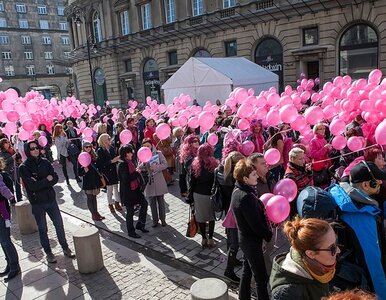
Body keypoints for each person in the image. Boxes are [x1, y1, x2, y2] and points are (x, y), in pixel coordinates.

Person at [330, 162, 386, 298]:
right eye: (376, 180)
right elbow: (373, 266)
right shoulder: (361, 217)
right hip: (363, 284)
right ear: (366, 185)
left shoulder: (346, 198)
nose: (380, 182)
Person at [19, 141, 75, 263]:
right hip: (37, 203)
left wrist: (41, 181)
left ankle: (65, 247)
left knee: (59, 224)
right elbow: (32, 186)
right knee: (43, 228)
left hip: (51, 199)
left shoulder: (44, 161)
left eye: (37, 148)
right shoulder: (24, 167)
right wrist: (46, 180)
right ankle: (48, 252)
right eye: (32, 149)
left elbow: (55, 177)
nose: (35, 150)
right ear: (28, 151)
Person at [231, 158, 272, 300]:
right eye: (254, 175)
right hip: (251, 242)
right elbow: (255, 224)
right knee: (261, 278)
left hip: (245, 239)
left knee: (246, 272)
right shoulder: (245, 196)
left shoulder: (238, 190)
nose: (257, 177)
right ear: (245, 178)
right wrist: (268, 234)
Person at [270, 217, 341, 299]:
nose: (338, 250)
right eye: (332, 248)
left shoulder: (316, 266)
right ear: (311, 254)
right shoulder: (287, 293)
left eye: (336, 241)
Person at [217, 151, 244, 282]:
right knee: (234, 243)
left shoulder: (222, 170)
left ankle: (233, 260)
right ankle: (229, 270)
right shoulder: (233, 177)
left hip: (227, 209)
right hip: (233, 212)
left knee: (230, 240)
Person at [189, 143, 219, 249]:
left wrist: (189, 197)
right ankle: (210, 238)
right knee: (211, 218)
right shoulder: (215, 165)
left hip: (198, 195)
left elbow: (191, 182)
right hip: (210, 194)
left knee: (201, 218)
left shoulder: (195, 165)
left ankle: (203, 239)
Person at [118, 145, 149, 238]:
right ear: (126, 154)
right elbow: (126, 179)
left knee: (144, 204)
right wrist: (137, 172)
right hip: (128, 192)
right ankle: (131, 231)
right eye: (130, 152)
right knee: (130, 212)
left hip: (136, 189)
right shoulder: (122, 164)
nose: (132, 153)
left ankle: (140, 224)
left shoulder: (130, 161)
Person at [140, 138, 168, 227]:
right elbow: (139, 168)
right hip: (149, 182)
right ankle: (155, 221)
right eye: (144, 146)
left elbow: (165, 164)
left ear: (151, 146)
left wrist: (155, 168)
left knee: (161, 201)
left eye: (148, 146)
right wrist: (143, 164)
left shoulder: (158, 153)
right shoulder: (141, 155)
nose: (146, 148)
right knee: (152, 203)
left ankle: (163, 220)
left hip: (159, 180)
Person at [0, 158, 20, 282]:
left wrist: (12, 198)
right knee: (2, 241)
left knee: (6, 240)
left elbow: (5, 189)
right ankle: (9, 264)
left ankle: (14, 266)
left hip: (2, 213)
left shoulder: (2, 175)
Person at [78, 141, 105, 221]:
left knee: (94, 197)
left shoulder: (94, 155)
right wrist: (84, 171)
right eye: (86, 147)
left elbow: (100, 166)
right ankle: (93, 214)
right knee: (90, 198)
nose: (88, 148)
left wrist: (100, 171)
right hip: (88, 181)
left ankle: (96, 212)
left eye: (89, 146)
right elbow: (78, 172)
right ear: (83, 148)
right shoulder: (81, 157)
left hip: (95, 180)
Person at [284, 147, 314, 216]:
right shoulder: (290, 174)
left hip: (309, 197)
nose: (303, 161)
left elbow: (309, 179)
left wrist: (309, 172)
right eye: (300, 159)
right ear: (292, 159)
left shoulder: (300, 166)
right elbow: (294, 196)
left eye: (303, 158)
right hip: (302, 203)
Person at [96, 133, 122, 213]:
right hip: (107, 172)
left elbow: (114, 157)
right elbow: (100, 164)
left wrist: (117, 159)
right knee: (109, 189)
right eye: (108, 138)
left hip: (114, 170)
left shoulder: (111, 148)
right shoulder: (100, 150)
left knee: (116, 187)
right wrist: (111, 161)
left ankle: (117, 202)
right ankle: (110, 204)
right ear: (104, 140)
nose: (110, 140)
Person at [309, 123, 332, 188]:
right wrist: (324, 148)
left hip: (325, 166)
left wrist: (329, 149)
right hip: (319, 168)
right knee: (321, 186)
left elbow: (325, 153)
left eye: (324, 128)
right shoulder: (313, 141)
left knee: (328, 184)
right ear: (316, 131)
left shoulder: (323, 139)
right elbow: (313, 155)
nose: (323, 130)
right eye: (320, 129)